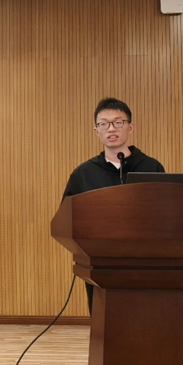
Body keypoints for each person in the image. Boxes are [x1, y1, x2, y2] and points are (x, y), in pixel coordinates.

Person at [62, 97, 165, 314]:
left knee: (146, 322)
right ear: (96, 130)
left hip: (146, 264)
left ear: (130, 127)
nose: (111, 128)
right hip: (100, 264)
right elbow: (66, 218)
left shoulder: (151, 167)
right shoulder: (84, 173)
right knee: (106, 324)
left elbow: (167, 213)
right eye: (104, 124)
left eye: (118, 122)